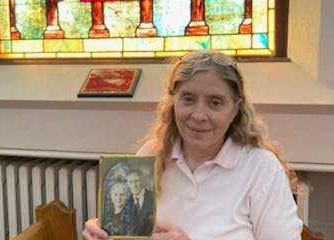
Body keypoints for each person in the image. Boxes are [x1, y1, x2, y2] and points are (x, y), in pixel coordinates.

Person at [82, 49, 303, 240]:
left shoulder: (260, 167)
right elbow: (128, 229)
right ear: (173, 102)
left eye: (214, 103)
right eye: (188, 98)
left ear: (235, 109)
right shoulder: (151, 154)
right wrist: (104, 232)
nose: (198, 115)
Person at [127, 170, 154, 236]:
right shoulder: (126, 201)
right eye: (131, 182)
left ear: (143, 182)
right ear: (127, 184)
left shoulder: (153, 197)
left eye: (137, 181)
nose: (134, 185)